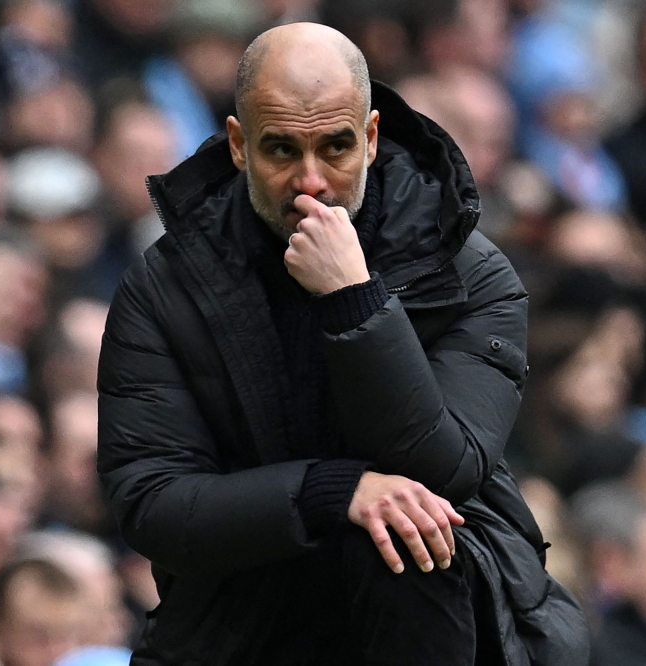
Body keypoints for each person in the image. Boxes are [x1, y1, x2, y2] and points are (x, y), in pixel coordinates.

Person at [96, 21, 587, 666]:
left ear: (372, 138)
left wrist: (355, 298)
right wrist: (331, 492)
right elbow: (151, 502)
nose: (311, 181)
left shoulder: (469, 273)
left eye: (335, 148)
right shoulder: (167, 284)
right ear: (239, 145)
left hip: (436, 613)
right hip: (241, 621)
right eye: (281, 150)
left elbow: (447, 471)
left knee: (404, 531)